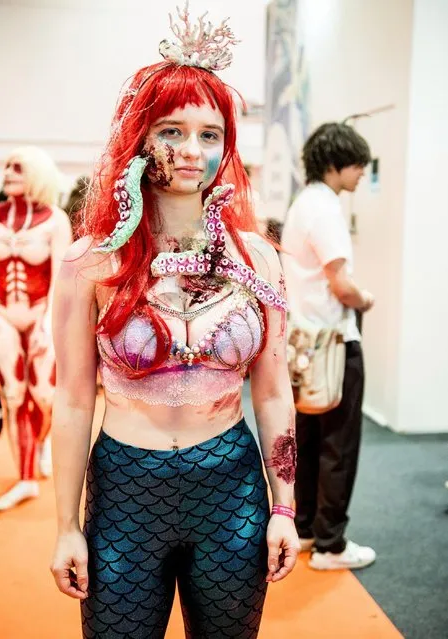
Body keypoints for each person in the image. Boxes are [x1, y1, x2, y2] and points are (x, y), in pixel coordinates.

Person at [50, 5, 299, 638]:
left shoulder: (259, 257)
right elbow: (75, 401)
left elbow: (272, 391)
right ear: (139, 140)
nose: (192, 151)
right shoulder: (90, 263)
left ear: (227, 147)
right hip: (125, 488)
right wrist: (65, 526)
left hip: (232, 488)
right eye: (172, 131)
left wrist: (285, 509)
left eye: (210, 135)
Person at [281, 122, 376, 570]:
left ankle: (305, 528)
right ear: (337, 163)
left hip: (303, 344)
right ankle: (331, 545)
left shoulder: (303, 204)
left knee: (309, 439)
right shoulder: (326, 209)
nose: (362, 173)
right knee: (338, 443)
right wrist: (367, 299)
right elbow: (341, 284)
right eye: (358, 163)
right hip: (333, 345)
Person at [0, 146, 72, 510]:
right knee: (14, 394)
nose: (8, 173)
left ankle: (40, 444)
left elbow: (61, 275)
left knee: (43, 395)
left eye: (17, 168)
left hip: (42, 312)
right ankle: (26, 477)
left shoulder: (55, 219)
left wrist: (48, 324)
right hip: (3, 317)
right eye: (7, 167)